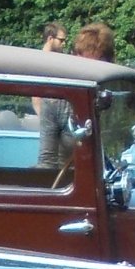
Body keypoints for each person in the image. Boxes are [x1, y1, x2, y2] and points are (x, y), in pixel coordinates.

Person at [34, 21, 79, 171]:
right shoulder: (39, 60)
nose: (64, 44)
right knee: (47, 160)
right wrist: (42, 115)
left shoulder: (60, 59)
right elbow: (35, 91)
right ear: (50, 38)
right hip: (49, 110)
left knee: (65, 161)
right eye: (61, 40)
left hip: (62, 110)